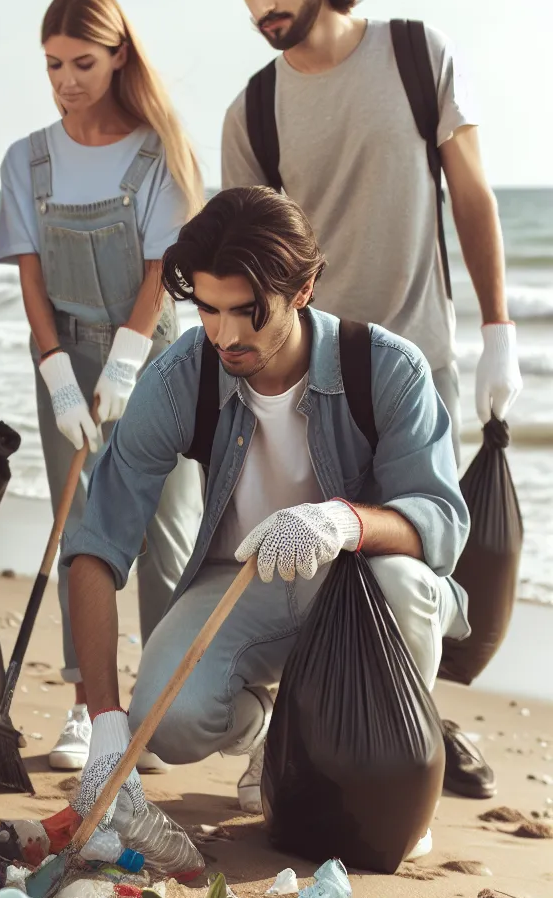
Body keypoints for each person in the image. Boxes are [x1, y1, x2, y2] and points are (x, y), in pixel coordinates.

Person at [62, 188, 468, 858]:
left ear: (304, 288)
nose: (224, 335)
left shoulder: (387, 367)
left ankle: (393, 775)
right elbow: (95, 546)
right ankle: (275, 734)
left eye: (248, 314)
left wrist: (340, 522)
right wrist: (106, 728)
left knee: (404, 583)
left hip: (355, 589)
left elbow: (441, 524)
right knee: (167, 722)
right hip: (238, 583)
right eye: (208, 310)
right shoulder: (182, 377)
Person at [217, 0, 516, 798]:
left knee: (420, 557)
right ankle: (299, 732)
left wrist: (498, 328)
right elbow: (244, 259)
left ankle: (414, 725)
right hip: (316, 377)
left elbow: (471, 192)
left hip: (421, 356)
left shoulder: (417, 56)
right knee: (312, 549)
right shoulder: (256, 110)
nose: (261, 5)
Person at [0, 0, 205, 773]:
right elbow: (28, 274)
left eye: (83, 62)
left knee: (165, 530)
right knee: (81, 527)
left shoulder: (160, 150)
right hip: (65, 352)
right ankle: (90, 710)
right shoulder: (28, 158)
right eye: (53, 64)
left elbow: (163, 268)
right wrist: (55, 369)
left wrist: (126, 360)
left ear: (119, 56)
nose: (66, 80)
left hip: (157, 355)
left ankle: (159, 704)